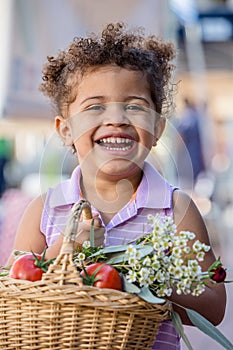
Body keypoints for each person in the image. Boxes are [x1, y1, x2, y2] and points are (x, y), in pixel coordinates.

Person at [6, 22, 226, 349]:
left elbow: (214, 304)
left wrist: (148, 280)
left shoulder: (176, 210)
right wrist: (67, 252)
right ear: (65, 130)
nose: (117, 119)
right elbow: (15, 291)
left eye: (134, 106)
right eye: (95, 107)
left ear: (158, 129)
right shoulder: (45, 210)